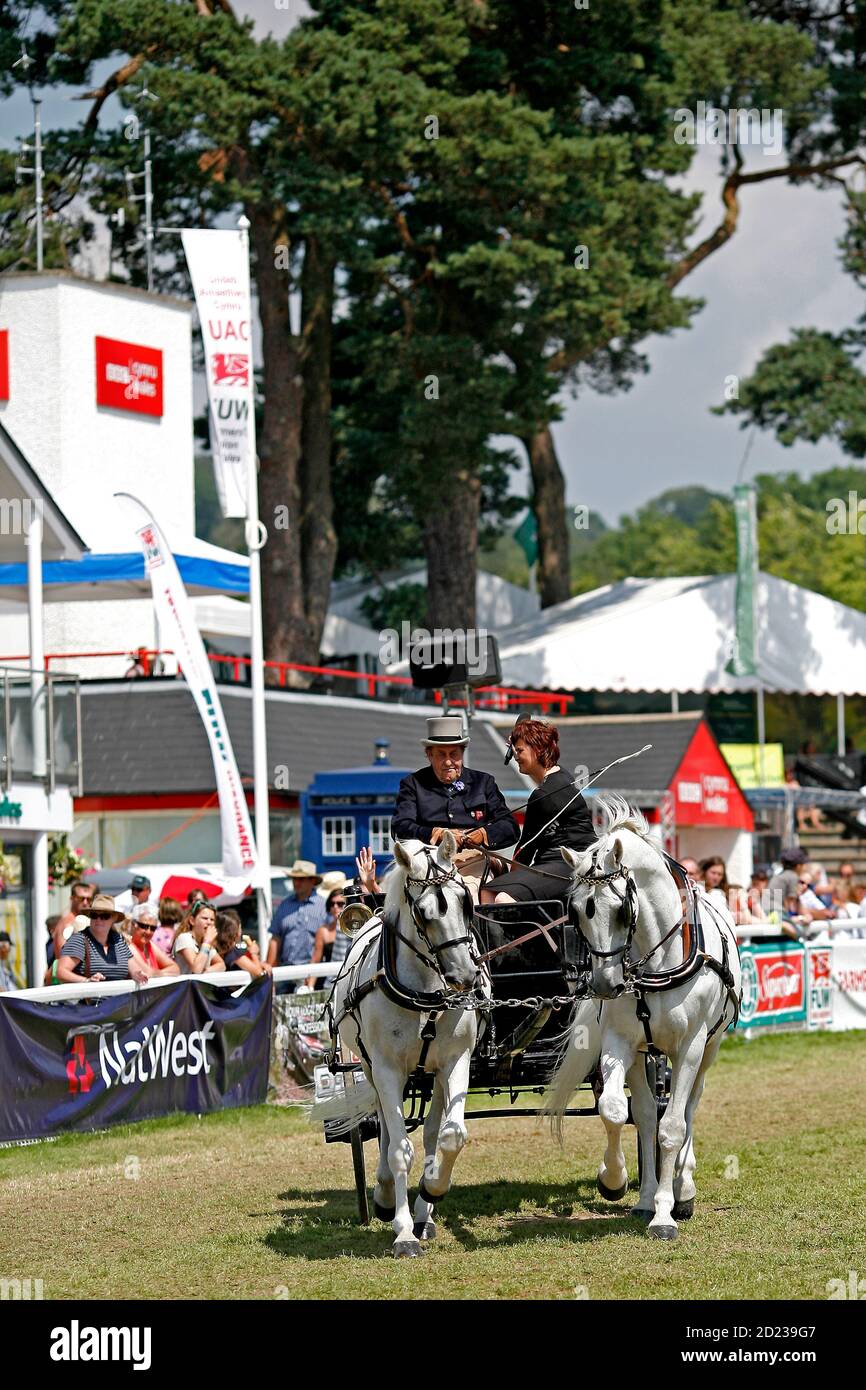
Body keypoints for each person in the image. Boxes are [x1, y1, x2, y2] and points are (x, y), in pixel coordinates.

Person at [392, 714, 520, 903]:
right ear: (429, 754)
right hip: (429, 862)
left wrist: (482, 834)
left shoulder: (483, 782)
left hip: (474, 860)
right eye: (441, 755)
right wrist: (436, 833)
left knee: (467, 896)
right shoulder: (413, 784)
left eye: (454, 754)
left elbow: (510, 827)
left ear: (462, 753)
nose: (448, 761)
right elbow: (400, 827)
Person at [480, 717, 595, 905]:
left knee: (494, 893)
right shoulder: (563, 777)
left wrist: (506, 874)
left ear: (538, 749)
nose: (515, 756)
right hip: (580, 862)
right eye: (514, 750)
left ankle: (521, 935)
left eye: (519, 751)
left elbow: (524, 852)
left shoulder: (542, 796)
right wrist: (521, 737)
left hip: (564, 866)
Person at [55, 894, 149, 985]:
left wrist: (138, 974)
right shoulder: (79, 940)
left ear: (113, 918)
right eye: (94, 915)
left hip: (120, 1000)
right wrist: (86, 981)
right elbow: (61, 972)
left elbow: (134, 969)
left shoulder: (118, 940)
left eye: (104, 916)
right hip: (89, 1000)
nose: (98, 919)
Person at [266, 860, 328, 990]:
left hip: (311, 971)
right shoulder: (285, 905)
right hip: (285, 971)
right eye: (294, 879)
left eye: (301, 879)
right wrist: (270, 974)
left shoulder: (323, 906)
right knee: (280, 1008)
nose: (296, 883)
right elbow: (275, 940)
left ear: (312, 881)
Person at [305, 888, 350, 988]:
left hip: (351, 979)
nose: (335, 907)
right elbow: (316, 960)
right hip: (331, 981)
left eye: (340, 904)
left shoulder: (353, 929)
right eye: (332, 904)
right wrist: (310, 988)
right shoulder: (323, 931)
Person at [172, 901, 226, 975]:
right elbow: (196, 969)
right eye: (205, 918)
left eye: (212, 919)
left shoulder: (205, 941)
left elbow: (222, 965)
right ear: (192, 921)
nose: (209, 922)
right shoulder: (184, 938)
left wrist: (206, 971)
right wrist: (206, 942)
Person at [215, 909, 271, 978]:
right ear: (236, 932)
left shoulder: (218, 950)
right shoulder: (233, 953)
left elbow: (250, 966)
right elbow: (258, 972)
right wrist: (254, 953)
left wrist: (261, 964)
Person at [128, 904, 180, 978]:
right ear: (134, 924)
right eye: (144, 926)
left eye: (153, 928)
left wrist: (158, 973)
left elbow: (176, 969)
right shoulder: (129, 947)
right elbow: (147, 972)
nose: (148, 932)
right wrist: (164, 973)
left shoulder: (150, 945)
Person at [52, 880, 95, 963]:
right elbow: (63, 956)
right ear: (72, 898)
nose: (85, 902)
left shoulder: (86, 920)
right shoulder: (67, 923)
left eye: (89, 899)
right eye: (81, 898)